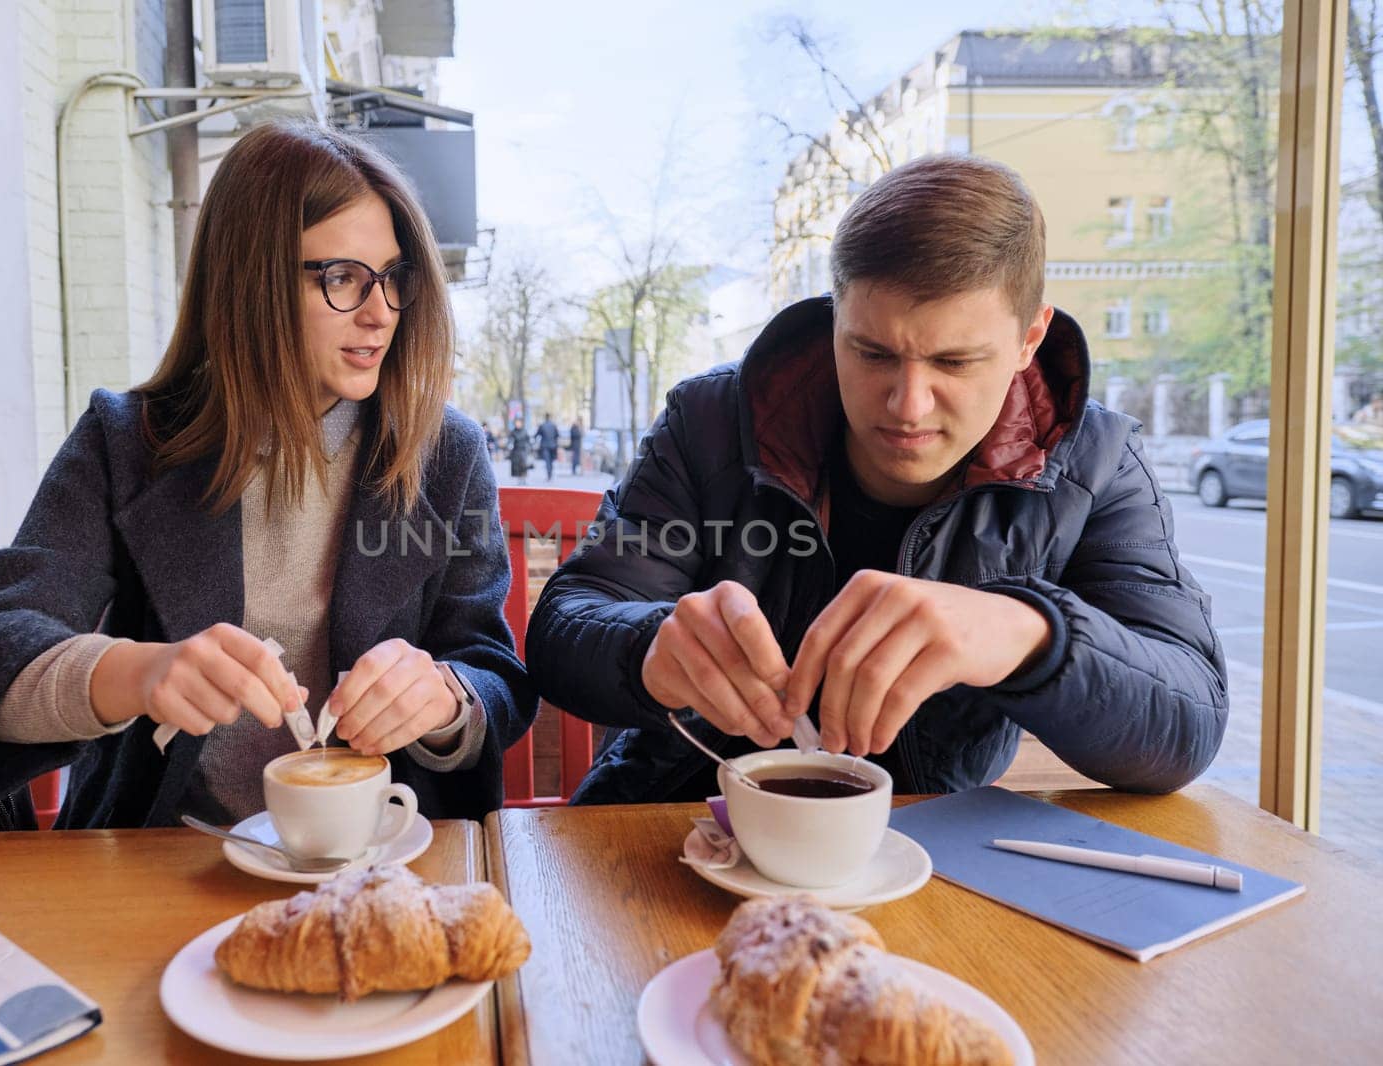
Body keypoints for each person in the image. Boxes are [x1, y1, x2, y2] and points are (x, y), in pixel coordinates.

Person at [526, 155, 1228, 804]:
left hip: (933, 852)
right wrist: (649, 646)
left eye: (954, 363)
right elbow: (565, 629)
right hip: (673, 819)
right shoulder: (712, 418)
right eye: (871, 351)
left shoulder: (1094, 460)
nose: (907, 404)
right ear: (836, 317)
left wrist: (1029, 634)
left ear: (1029, 340)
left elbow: (1188, 724)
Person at [0, 119, 536, 828]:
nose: (381, 313)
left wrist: (445, 695)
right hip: (163, 852)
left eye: (394, 278)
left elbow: (492, 672)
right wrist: (138, 674)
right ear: (253, 281)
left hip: (382, 853)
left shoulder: (444, 453)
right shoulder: (128, 442)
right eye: (342, 277)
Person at [508, 416, 531, 485]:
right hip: (516, 451)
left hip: (523, 451)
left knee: (524, 465)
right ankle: (519, 480)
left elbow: (528, 440)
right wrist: (510, 444)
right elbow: (510, 440)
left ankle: (524, 479)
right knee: (517, 466)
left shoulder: (524, 431)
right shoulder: (513, 432)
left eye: (519, 423)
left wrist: (529, 448)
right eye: (517, 423)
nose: (518, 424)